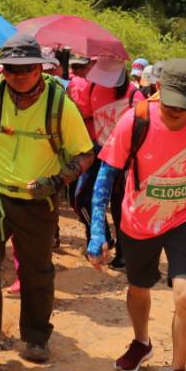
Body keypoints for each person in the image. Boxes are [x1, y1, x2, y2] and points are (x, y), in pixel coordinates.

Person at [0, 33, 94, 364]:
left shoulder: (60, 106)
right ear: (2, 70)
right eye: (11, 68)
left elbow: (86, 154)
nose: (19, 74)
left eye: (27, 67)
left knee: (36, 271)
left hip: (38, 204)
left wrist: (55, 181)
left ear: (41, 68)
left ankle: (37, 337)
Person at [87, 59, 186, 371]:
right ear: (158, 89)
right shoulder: (136, 119)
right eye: (169, 104)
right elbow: (106, 175)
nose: (175, 113)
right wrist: (96, 231)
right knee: (138, 289)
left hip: (185, 219)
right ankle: (141, 342)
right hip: (138, 221)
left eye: (184, 106)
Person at [69, 57, 137, 268]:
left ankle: (124, 253)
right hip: (100, 152)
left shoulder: (134, 94)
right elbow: (86, 113)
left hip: (126, 158)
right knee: (81, 199)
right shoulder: (92, 88)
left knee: (119, 205)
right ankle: (101, 237)